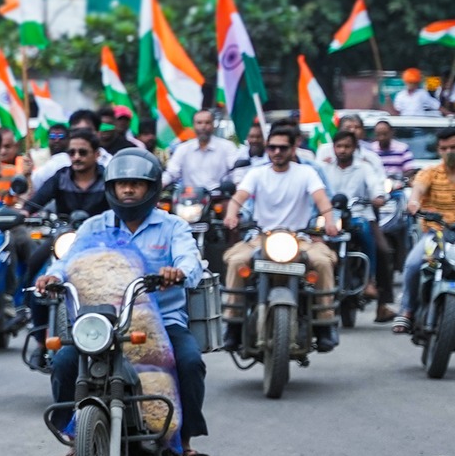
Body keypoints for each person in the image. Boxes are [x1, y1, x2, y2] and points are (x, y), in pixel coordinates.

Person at [34, 148, 209, 456]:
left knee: (189, 362)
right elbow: (66, 261)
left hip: (163, 324)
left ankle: (183, 442)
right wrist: (52, 277)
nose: (127, 190)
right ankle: (74, 439)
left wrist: (178, 272)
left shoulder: (172, 227)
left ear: (151, 188)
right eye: (121, 184)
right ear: (111, 188)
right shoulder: (93, 227)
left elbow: (191, 263)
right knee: (64, 362)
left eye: (136, 184)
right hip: (102, 324)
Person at [222, 122, 342, 351]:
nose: (277, 152)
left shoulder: (307, 173)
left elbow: (322, 200)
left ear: (293, 149)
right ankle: (233, 325)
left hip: (299, 239)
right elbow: (239, 197)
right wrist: (231, 215)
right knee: (236, 261)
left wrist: (329, 220)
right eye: (272, 147)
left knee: (323, 262)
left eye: (283, 148)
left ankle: (325, 324)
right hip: (261, 237)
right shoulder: (256, 173)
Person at [21, 130, 111, 365]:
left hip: (101, 243)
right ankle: (37, 336)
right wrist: (23, 212)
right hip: (64, 239)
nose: (77, 157)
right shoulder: (60, 177)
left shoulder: (108, 179)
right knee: (37, 270)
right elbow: (36, 201)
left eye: (83, 152)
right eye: (72, 152)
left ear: (96, 154)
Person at [395, 129, 455, 333]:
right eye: (444, 148)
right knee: (413, 264)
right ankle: (407, 311)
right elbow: (418, 190)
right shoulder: (429, 173)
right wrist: (414, 203)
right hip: (438, 234)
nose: (449, 152)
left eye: (453, 147)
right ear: (439, 150)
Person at [324, 128, 393, 319]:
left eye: (347, 146)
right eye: (339, 146)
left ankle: (371, 283)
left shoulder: (364, 167)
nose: (342, 150)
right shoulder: (325, 168)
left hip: (359, 215)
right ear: (333, 148)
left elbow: (375, 186)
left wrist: (378, 196)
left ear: (355, 148)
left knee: (381, 249)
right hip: (332, 218)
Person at [164, 109, 240, 200]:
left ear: (213, 125)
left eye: (207, 122)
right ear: (193, 125)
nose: (203, 126)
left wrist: (238, 185)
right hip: (189, 199)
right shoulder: (183, 149)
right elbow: (171, 173)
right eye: (199, 123)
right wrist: (161, 184)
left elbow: (237, 171)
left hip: (218, 198)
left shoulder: (227, 147)